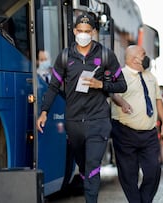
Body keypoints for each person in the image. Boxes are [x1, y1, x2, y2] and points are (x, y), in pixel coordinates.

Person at [36, 13, 127, 203]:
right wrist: (44, 111)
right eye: (80, 31)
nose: (83, 35)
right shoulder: (65, 56)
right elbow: (53, 86)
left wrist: (101, 85)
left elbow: (122, 85)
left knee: (93, 164)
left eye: (88, 31)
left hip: (99, 120)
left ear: (94, 32)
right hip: (74, 122)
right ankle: (86, 178)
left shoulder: (105, 55)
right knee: (84, 165)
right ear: (75, 31)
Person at [110, 45, 163, 203]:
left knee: (153, 171)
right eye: (144, 54)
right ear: (134, 58)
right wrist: (121, 102)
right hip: (125, 132)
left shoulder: (151, 76)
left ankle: (144, 200)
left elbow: (158, 100)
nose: (147, 56)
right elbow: (113, 94)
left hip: (149, 133)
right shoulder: (119, 75)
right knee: (129, 175)